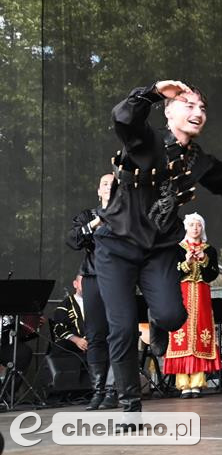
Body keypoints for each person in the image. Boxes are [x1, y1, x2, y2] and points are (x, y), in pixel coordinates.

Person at [94, 81, 222, 417]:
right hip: (116, 247)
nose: (197, 112)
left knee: (172, 316)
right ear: (168, 112)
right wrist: (151, 91)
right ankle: (129, 405)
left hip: (158, 250)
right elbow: (123, 117)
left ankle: (157, 317)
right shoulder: (144, 141)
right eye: (188, 105)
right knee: (120, 328)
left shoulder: (197, 160)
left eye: (202, 108)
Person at [65, 174, 117, 410]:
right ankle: (98, 391)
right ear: (98, 190)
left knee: (118, 334)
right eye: (105, 183)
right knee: (95, 334)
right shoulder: (88, 216)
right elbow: (73, 240)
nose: (109, 186)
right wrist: (97, 221)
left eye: (114, 183)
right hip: (93, 277)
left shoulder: (127, 215)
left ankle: (114, 390)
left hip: (119, 278)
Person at [163, 213, 221, 398]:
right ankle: (183, 384)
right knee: (181, 335)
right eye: (192, 225)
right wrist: (186, 263)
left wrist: (204, 260)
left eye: (198, 225)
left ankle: (196, 383)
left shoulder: (209, 250)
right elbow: (170, 273)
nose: (195, 228)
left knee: (200, 334)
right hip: (181, 295)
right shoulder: (176, 249)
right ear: (186, 228)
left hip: (202, 296)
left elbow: (212, 274)